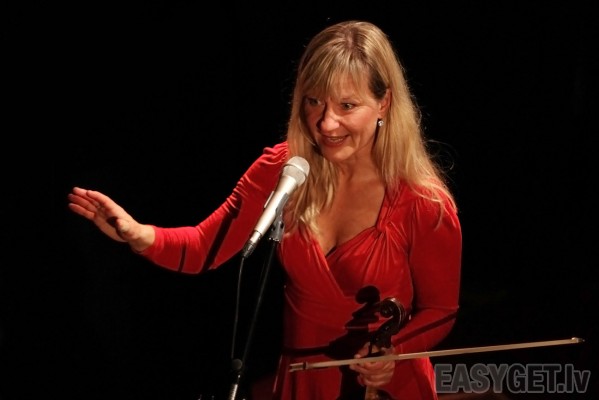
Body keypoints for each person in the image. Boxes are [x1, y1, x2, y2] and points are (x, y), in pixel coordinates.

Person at [68, 20, 462, 400]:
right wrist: (139, 234)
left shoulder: (422, 201)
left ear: (384, 103)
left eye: (347, 105)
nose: (327, 123)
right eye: (314, 101)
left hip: (385, 387)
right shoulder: (283, 171)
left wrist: (395, 350)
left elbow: (441, 310)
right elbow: (205, 246)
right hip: (300, 382)